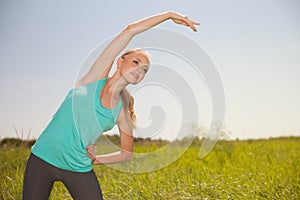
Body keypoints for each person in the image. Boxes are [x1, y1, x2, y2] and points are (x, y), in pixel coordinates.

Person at [22, 11, 199, 199]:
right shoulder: (93, 79)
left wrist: (97, 159)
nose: (139, 70)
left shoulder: (122, 112)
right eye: (135, 62)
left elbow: (126, 154)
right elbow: (130, 30)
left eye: (144, 70)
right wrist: (169, 15)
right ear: (119, 61)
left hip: (77, 167)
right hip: (41, 158)